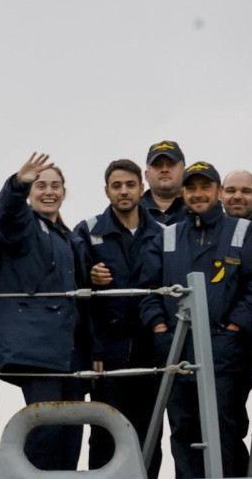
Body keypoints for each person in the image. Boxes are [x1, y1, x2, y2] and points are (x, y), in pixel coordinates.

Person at [139, 161, 252, 479]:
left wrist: (234, 329)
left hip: (225, 355)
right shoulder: (167, 237)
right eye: (192, 187)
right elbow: (147, 290)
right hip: (177, 352)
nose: (198, 194)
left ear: (218, 193)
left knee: (225, 429)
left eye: (205, 187)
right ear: (183, 193)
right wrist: (159, 328)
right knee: (183, 431)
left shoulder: (241, 233)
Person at [71, 159, 164, 478]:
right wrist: (87, 276)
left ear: (141, 187)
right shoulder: (87, 230)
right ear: (107, 191)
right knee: (104, 435)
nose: (124, 191)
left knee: (150, 434)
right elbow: (75, 295)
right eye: (116, 186)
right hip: (107, 354)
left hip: (152, 350)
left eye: (129, 185)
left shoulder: (164, 234)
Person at [0, 153, 85, 471]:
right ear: (31, 193)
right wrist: (17, 184)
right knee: (46, 431)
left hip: (66, 350)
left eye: (55, 185)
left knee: (71, 434)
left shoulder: (67, 236)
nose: (49, 191)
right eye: (40, 185)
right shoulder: (25, 226)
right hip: (34, 348)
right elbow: (7, 214)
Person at [142, 141, 187, 225]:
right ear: (146, 175)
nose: (164, 169)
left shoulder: (198, 209)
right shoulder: (132, 211)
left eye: (171, 164)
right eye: (157, 165)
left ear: (184, 172)